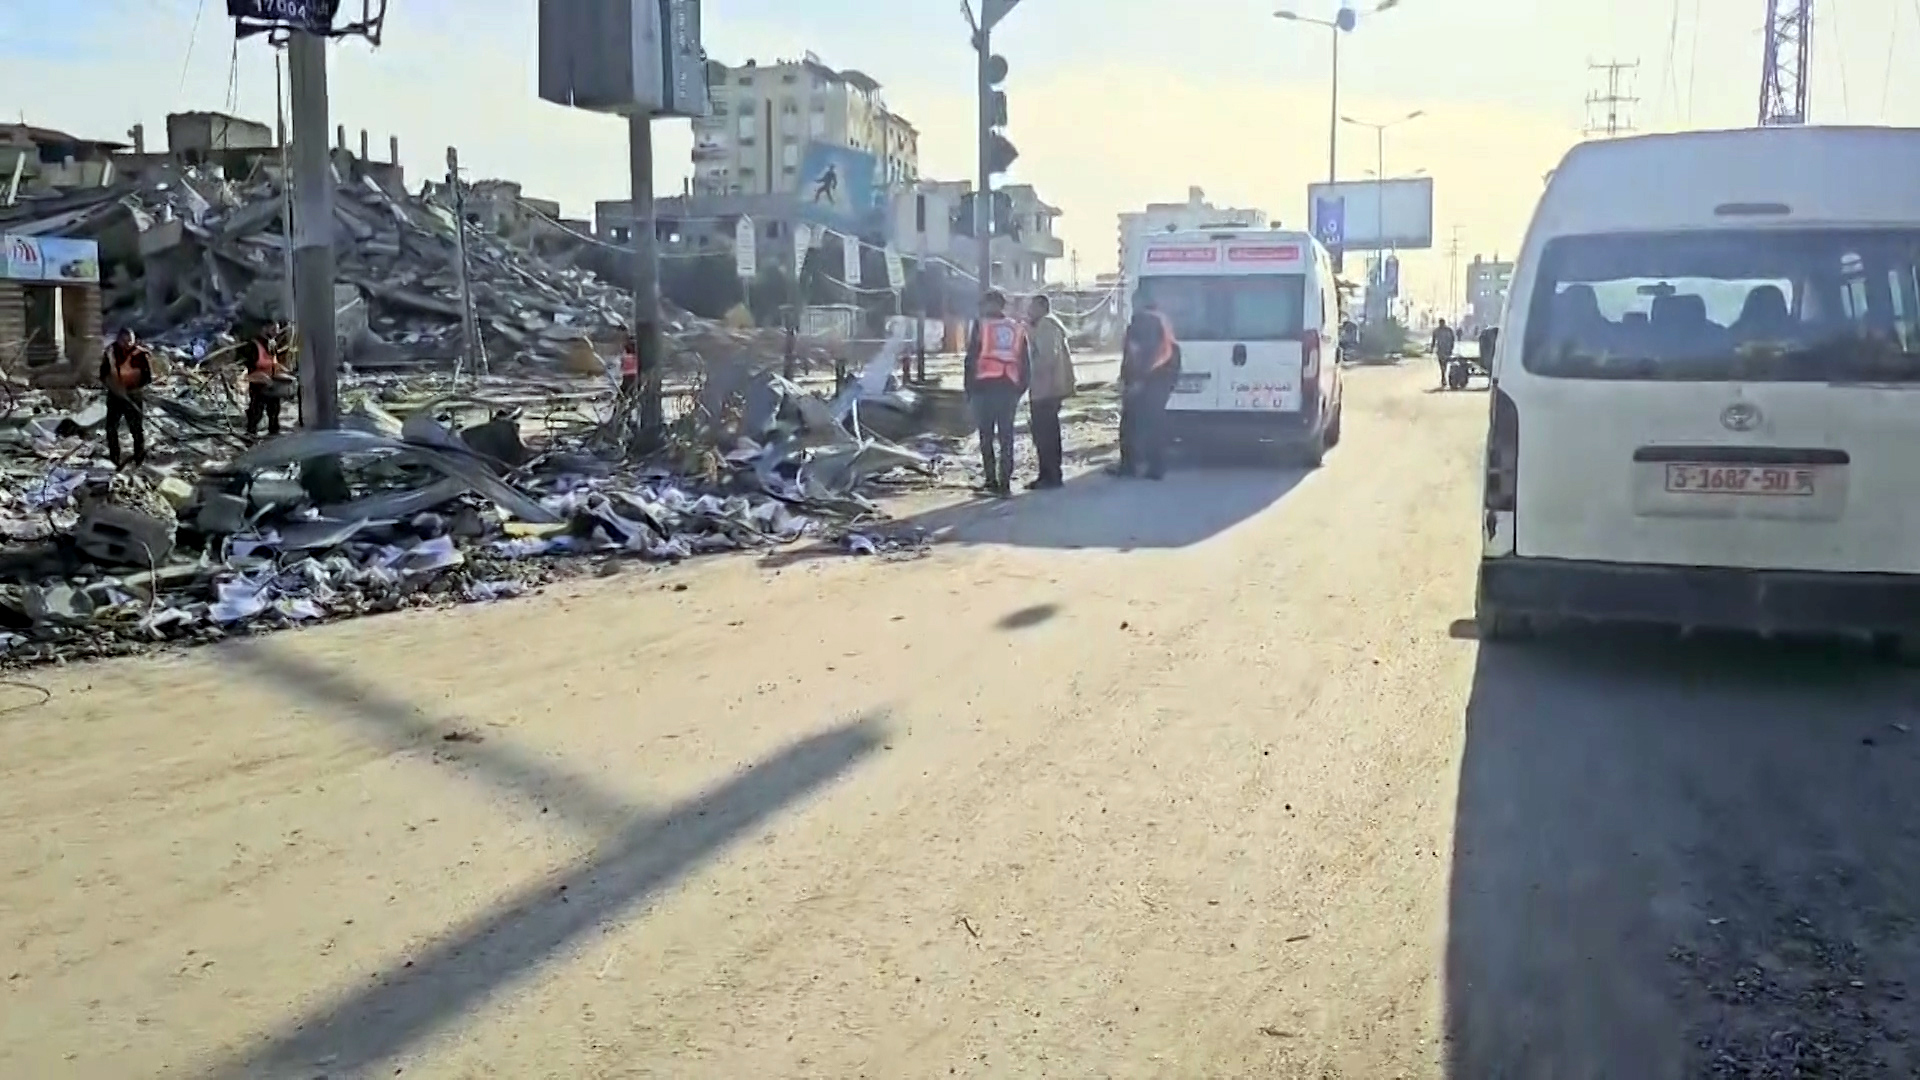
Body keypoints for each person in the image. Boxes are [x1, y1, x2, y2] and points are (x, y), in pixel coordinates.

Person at [962, 289, 1030, 497]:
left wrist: (969, 389)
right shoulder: (1015, 328)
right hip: (1008, 388)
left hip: (984, 389)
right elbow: (1025, 362)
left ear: (991, 305)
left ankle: (992, 481)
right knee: (1006, 437)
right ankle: (1005, 484)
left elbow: (971, 359)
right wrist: (1020, 388)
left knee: (987, 437)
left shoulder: (981, 326)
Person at [1113, 292, 1180, 480]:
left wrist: (1136, 381)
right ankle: (1156, 467)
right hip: (1161, 380)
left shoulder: (1142, 322)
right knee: (1154, 424)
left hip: (1145, 381)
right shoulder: (1164, 322)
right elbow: (1172, 353)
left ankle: (1129, 466)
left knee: (1130, 425)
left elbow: (1139, 354)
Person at [1023, 294, 1075, 490]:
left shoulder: (1046, 325)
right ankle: (1047, 474)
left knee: (1045, 434)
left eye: (1031, 306)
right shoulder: (1045, 325)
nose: (1028, 310)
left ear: (1041, 307)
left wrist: (1029, 371)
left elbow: (1046, 358)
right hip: (1047, 389)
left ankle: (1051, 475)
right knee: (1045, 433)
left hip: (1046, 389)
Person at [99, 328, 154, 468]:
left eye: (130, 340)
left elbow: (147, 377)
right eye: (124, 340)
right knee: (111, 428)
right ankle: (114, 459)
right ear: (118, 340)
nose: (128, 343)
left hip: (134, 396)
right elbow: (103, 375)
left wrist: (133, 389)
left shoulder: (140, 354)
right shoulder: (110, 353)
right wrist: (114, 387)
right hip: (115, 397)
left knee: (136, 429)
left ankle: (139, 459)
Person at [241, 323, 289, 437]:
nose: (276, 333)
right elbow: (247, 370)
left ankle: (274, 432)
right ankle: (251, 433)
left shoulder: (271, 343)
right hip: (258, 386)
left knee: (274, 410)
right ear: (264, 328)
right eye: (273, 329)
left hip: (272, 383)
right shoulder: (253, 346)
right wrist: (259, 377)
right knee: (256, 411)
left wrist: (283, 371)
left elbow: (273, 362)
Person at [1430, 318, 1457, 388]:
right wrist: (1432, 348)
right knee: (1442, 364)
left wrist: (1451, 347)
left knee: (1445, 364)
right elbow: (1433, 340)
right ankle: (1443, 377)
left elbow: (1453, 339)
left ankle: (1444, 377)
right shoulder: (1436, 331)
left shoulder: (1449, 330)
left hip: (1447, 350)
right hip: (1440, 350)